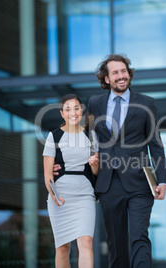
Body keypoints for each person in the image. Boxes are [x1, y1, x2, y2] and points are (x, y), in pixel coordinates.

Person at [71, 54, 166, 268]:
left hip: (140, 182)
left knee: (139, 236)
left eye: (124, 71)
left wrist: (162, 180)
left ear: (129, 74)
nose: (121, 76)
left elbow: (155, 144)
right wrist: (64, 164)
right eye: (115, 72)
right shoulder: (95, 103)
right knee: (116, 243)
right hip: (108, 183)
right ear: (106, 79)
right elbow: (86, 138)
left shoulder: (146, 103)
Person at [43, 94, 99, 268]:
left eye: (76, 108)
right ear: (62, 113)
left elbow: (96, 172)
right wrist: (54, 196)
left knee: (86, 241)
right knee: (62, 248)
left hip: (85, 195)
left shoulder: (91, 135)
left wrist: (95, 164)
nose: (73, 112)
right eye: (68, 109)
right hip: (61, 197)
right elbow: (47, 174)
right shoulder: (53, 137)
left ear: (81, 111)